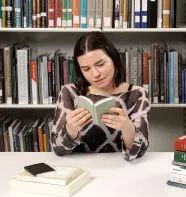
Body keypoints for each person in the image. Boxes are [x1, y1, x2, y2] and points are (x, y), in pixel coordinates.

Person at [50, 32, 150, 162]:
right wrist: (70, 130)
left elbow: (138, 153)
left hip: (120, 171)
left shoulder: (137, 94)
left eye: (100, 64)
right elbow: (57, 150)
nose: (95, 74)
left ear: (113, 59)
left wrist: (127, 128)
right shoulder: (69, 92)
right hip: (80, 169)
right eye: (86, 69)